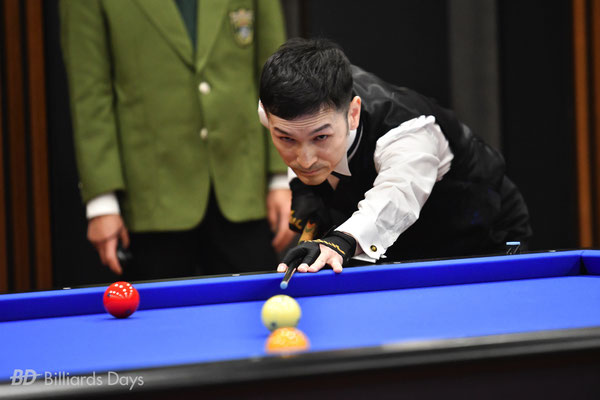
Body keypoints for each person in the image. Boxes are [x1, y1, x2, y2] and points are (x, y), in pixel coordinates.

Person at [60, 0, 294, 280]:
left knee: (256, 302)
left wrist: (281, 177)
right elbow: (90, 95)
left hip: (243, 182)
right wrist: (102, 202)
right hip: (151, 193)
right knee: (156, 306)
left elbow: (274, 70)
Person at [257, 38, 532, 274]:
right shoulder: (278, 112)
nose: (305, 160)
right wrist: (304, 189)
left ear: (353, 114)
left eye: (320, 138)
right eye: (286, 139)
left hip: (479, 235)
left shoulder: (407, 133)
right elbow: (299, 134)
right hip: (396, 242)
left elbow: (397, 193)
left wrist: (341, 240)